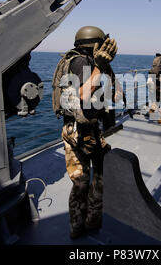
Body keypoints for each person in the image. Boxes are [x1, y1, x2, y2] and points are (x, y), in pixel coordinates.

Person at [52, 26, 118, 239]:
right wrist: (99, 67)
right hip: (85, 132)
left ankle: (76, 226)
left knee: (80, 180)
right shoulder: (83, 63)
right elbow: (83, 94)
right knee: (101, 173)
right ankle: (92, 221)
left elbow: (115, 96)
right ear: (96, 45)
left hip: (71, 130)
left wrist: (106, 69)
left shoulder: (71, 61)